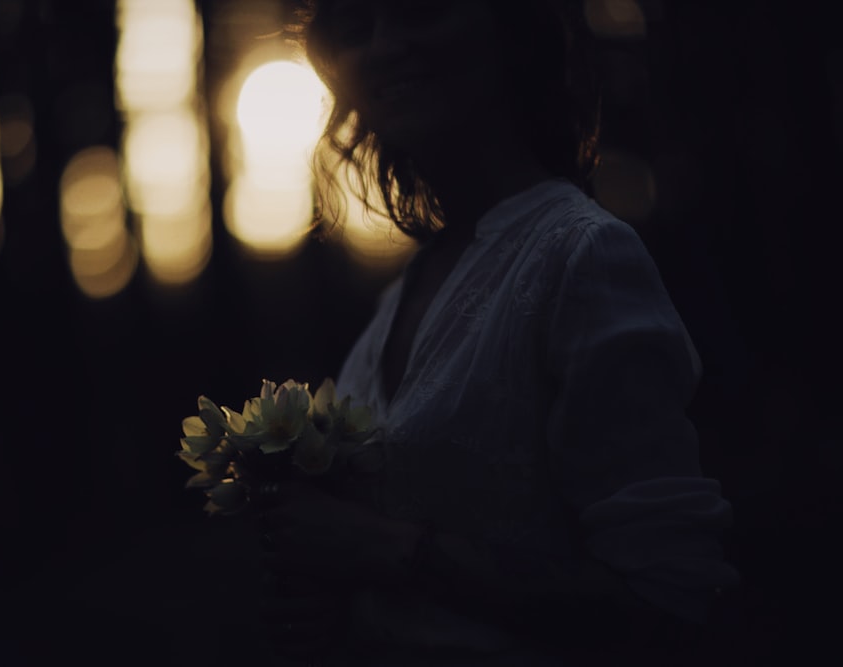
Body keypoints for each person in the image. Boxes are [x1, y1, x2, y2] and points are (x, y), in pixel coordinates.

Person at [257, 1, 740, 665]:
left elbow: (670, 603)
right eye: (355, 26)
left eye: (419, 12)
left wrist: (388, 549)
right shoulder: (400, 296)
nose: (384, 47)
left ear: (510, 27)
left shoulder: (579, 256)